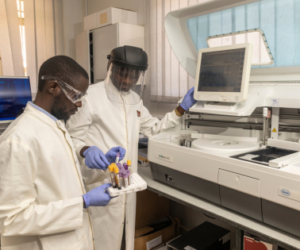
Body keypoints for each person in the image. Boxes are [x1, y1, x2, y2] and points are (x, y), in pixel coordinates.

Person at [66, 46, 197, 250]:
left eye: (133, 76)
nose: (127, 81)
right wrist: (86, 150)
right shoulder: (90, 96)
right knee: (99, 241)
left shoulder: (135, 100)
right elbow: (70, 139)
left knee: (124, 240)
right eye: (122, 74)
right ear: (111, 68)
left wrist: (181, 108)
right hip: (99, 184)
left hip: (127, 183)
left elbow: (154, 128)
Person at [0, 56, 124, 250]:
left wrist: (98, 166)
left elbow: (60, 182)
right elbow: (12, 220)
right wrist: (83, 202)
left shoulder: (56, 125)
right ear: (53, 87)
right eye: (76, 97)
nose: (80, 105)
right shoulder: (18, 141)